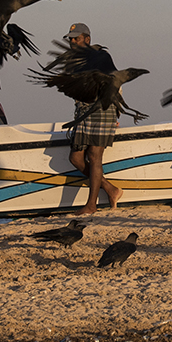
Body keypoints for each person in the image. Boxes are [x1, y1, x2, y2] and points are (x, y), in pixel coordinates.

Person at [62, 22, 121, 214]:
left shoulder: (101, 56)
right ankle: (110, 189)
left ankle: (91, 205)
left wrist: (117, 111)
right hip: (83, 111)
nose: (72, 42)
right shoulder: (72, 62)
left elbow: (115, 82)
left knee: (95, 156)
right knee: (76, 158)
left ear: (87, 39)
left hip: (102, 109)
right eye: (70, 39)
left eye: (76, 38)